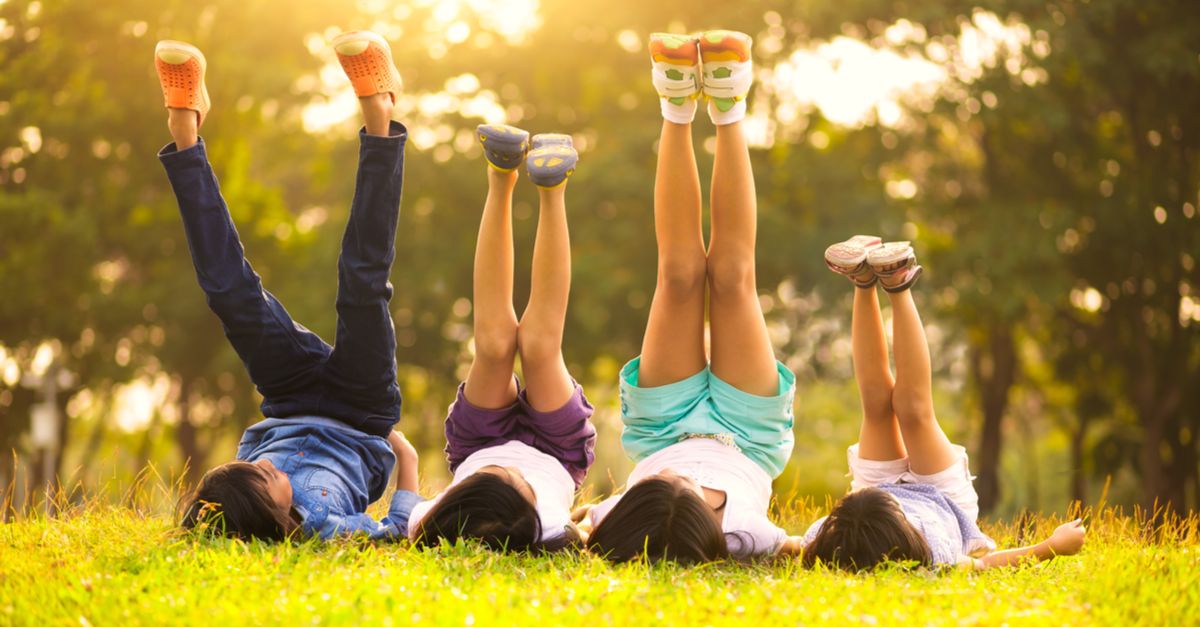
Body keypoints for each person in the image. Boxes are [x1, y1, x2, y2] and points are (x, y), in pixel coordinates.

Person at [164, 31, 421, 540]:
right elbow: (396, 531)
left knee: (229, 295)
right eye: (263, 477)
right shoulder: (324, 529)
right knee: (361, 285)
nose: (261, 467)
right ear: (276, 516)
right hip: (362, 406)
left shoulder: (229, 506)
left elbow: (218, 507)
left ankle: (184, 130)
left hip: (288, 396)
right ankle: (380, 116)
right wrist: (404, 455)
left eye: (252, 470)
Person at [582, 31, 804, 563]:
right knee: (731, 276)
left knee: (679, 274)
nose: (683, 486)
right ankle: (728, 105)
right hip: (749, 436)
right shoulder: (748, 534)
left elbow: (566, 525)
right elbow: (810, 543)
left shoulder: (611, 519)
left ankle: (676, 105)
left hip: (661, 430)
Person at [802, 236, 1087, 569]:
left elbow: (785, 545)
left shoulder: (828, 540)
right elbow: (987, 565)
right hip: (942, 499)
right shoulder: (933, 554)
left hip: (868, 508)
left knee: (876, 406)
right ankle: (897, 284)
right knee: (913, 410)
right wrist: (1053, 545)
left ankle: (864, 281)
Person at [403, 124, 596, 552]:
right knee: (540, 347)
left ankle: (501, 171)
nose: (510, 470)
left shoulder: (431, 522)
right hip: (557, 450)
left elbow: (399, 516)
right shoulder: (547, 529)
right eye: (515, 483)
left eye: (497, 477)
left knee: (493, 345)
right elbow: (588, 531)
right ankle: (552, 186)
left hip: (478, 441)